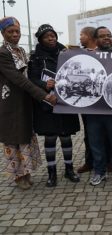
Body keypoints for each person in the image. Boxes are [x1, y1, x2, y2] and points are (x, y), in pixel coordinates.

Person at [0, 17, 57, 190]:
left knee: (24, 136)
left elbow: (29, 76)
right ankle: (18, 176)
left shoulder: (21, 51)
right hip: (10, 102)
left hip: (24, 100)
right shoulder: (3, 53)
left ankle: (26, 172)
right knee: (12, 138)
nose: (15, 34)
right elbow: (18, 79)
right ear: (3, 34)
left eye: (17, 31)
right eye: (10, 32)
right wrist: (44, 96)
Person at [28, 24, 80, 187]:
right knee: (50, 138)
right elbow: (31, 78)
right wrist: (44, 84)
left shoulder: (65, 52)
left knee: (66, 136)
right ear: (41, 39)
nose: (51, 39)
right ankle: (51, 173)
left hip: (65, 101)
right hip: (46, 102)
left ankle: (69, 169)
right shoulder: (36, 56)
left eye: (53, 35)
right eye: (47, 36)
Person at [86, 26, 112, 186]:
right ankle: (99, 172)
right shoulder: (87, 57)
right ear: (95, 39)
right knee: (96, 144)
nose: (106, 38)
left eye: (108, 35)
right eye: (102, 36)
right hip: (94, 110)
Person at [77, 26, 96, 174]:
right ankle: (90, 162)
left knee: (104, 133)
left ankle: (107, 161)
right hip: (86, 102)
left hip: (100, 101)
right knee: (88, 134)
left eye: (82, 34)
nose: (80, 37)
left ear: (89, 36)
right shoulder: (79, 53)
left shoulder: (103, 52)